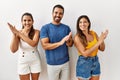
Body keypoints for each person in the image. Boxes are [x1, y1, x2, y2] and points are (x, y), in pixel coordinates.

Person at [40, 4, 73, 80]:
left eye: (60, 13)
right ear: (52, 13)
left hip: (65, 63)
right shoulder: (45, 28)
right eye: (56, 12)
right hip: (52, 65)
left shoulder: (66, 28)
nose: (58, 15)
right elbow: (45, 46)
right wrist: (60, 43)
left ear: (63, 15)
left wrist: (68, 41)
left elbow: (70, 44)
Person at [7, 12, 42, 80]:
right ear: (22, 22)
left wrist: (18, 33)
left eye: (29, 20)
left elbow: (33, 43)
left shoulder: (37, 32)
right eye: (25, 20)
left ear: (32, 21)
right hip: (23, 61)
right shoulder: (18, 33)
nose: (27, 22)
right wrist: (14, 34)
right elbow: (13, 50)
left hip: (35, 61)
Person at [74, 15, 108, 80]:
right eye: (80, 22)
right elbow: (85, 54)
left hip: (95, 61)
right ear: (78, 25)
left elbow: (102, 49)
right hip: (84, 63)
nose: (82, 24)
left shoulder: (93, 33)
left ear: (88, 23)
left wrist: (102, 39)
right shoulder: (77, 37)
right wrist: (98, 42)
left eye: (85, 22)